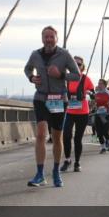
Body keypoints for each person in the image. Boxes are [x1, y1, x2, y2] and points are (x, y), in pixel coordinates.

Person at [24, 25, 80, 187]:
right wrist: (31, 78)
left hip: (58, 100)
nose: (48, 40)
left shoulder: (64, 54)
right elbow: (27, 69)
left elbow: (77, 76)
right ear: (42, 38)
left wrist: (61, 75)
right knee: (41, 134)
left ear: (56, 38)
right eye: (46, 37)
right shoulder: (35, 55)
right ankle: (40, 174)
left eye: (51, 37)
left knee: (56, 137)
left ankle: (55, 171)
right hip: (41, 98)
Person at [61, 56, 93, 173]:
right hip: (70, 111)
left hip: (83, 112)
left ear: (82, 67)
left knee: (77, 139)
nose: (76, 66)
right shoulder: (67, 79)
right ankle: (68, 159)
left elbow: (93, 92)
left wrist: (90, 93)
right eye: (74, 64)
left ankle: (77, 162)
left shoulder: (86, 79)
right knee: (66, 135)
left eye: (78, 64)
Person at [93, 79, 109, 153]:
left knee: (104, 131)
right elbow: (94, 103)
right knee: (99, 132)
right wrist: (92, 105)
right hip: (98, 115)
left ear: (104, 85)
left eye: (101, 84)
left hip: (107, 115)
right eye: (98, 83)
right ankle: (103, 147)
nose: (99, 85)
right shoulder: (96, 94)